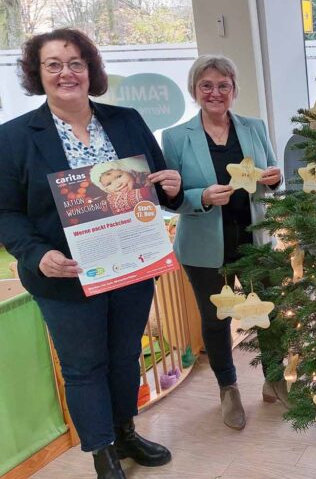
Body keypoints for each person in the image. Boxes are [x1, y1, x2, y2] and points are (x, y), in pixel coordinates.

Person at [0, 29, 182, 479]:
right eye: (54, 64)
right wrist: (36, 255)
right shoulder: (14, 137)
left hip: (132, 267)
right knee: (84, 367)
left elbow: (157, 184)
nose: (67, 72)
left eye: (76, 62)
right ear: (37, 73)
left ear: (90, 70)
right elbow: (5, 211)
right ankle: (101, 451)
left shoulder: (125, 120)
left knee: (125, 357)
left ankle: (125, 431)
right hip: (65, 276)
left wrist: (172, 188)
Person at [161, 55, 284, 430]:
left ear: (233, 90)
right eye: (207, 86)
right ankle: (228, 389)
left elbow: (272, 175)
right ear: (195, 90)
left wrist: (274, 179)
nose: (215, 93)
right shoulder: (176, 137)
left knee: (270, 313)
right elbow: (169, 198)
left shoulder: (254, 126)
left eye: (223, 85)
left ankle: (274, 379)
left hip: (255, 240)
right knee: (216, 321)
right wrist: (201, 197)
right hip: (202, 248)